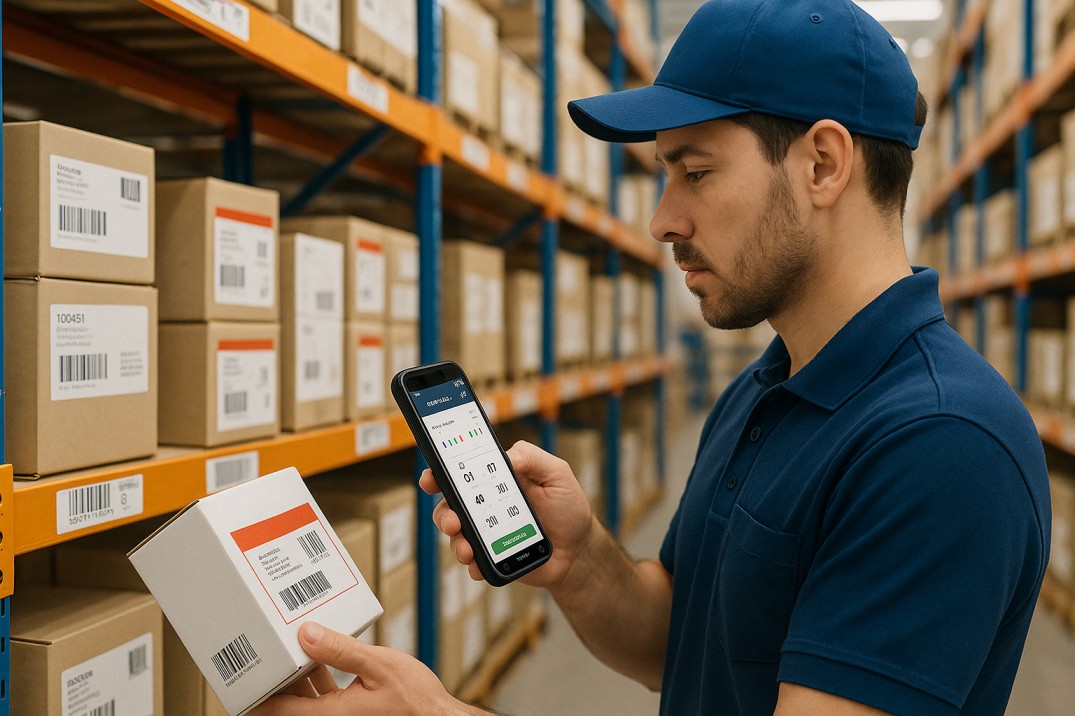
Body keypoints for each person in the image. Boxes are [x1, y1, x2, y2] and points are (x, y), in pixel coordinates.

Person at [253, 0, 1051, 714]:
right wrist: (582, 562)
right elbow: (683, 644)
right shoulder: (763, 390)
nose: (662, 221)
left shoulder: (939, 444)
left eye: (695, 172)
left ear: (822, 164)